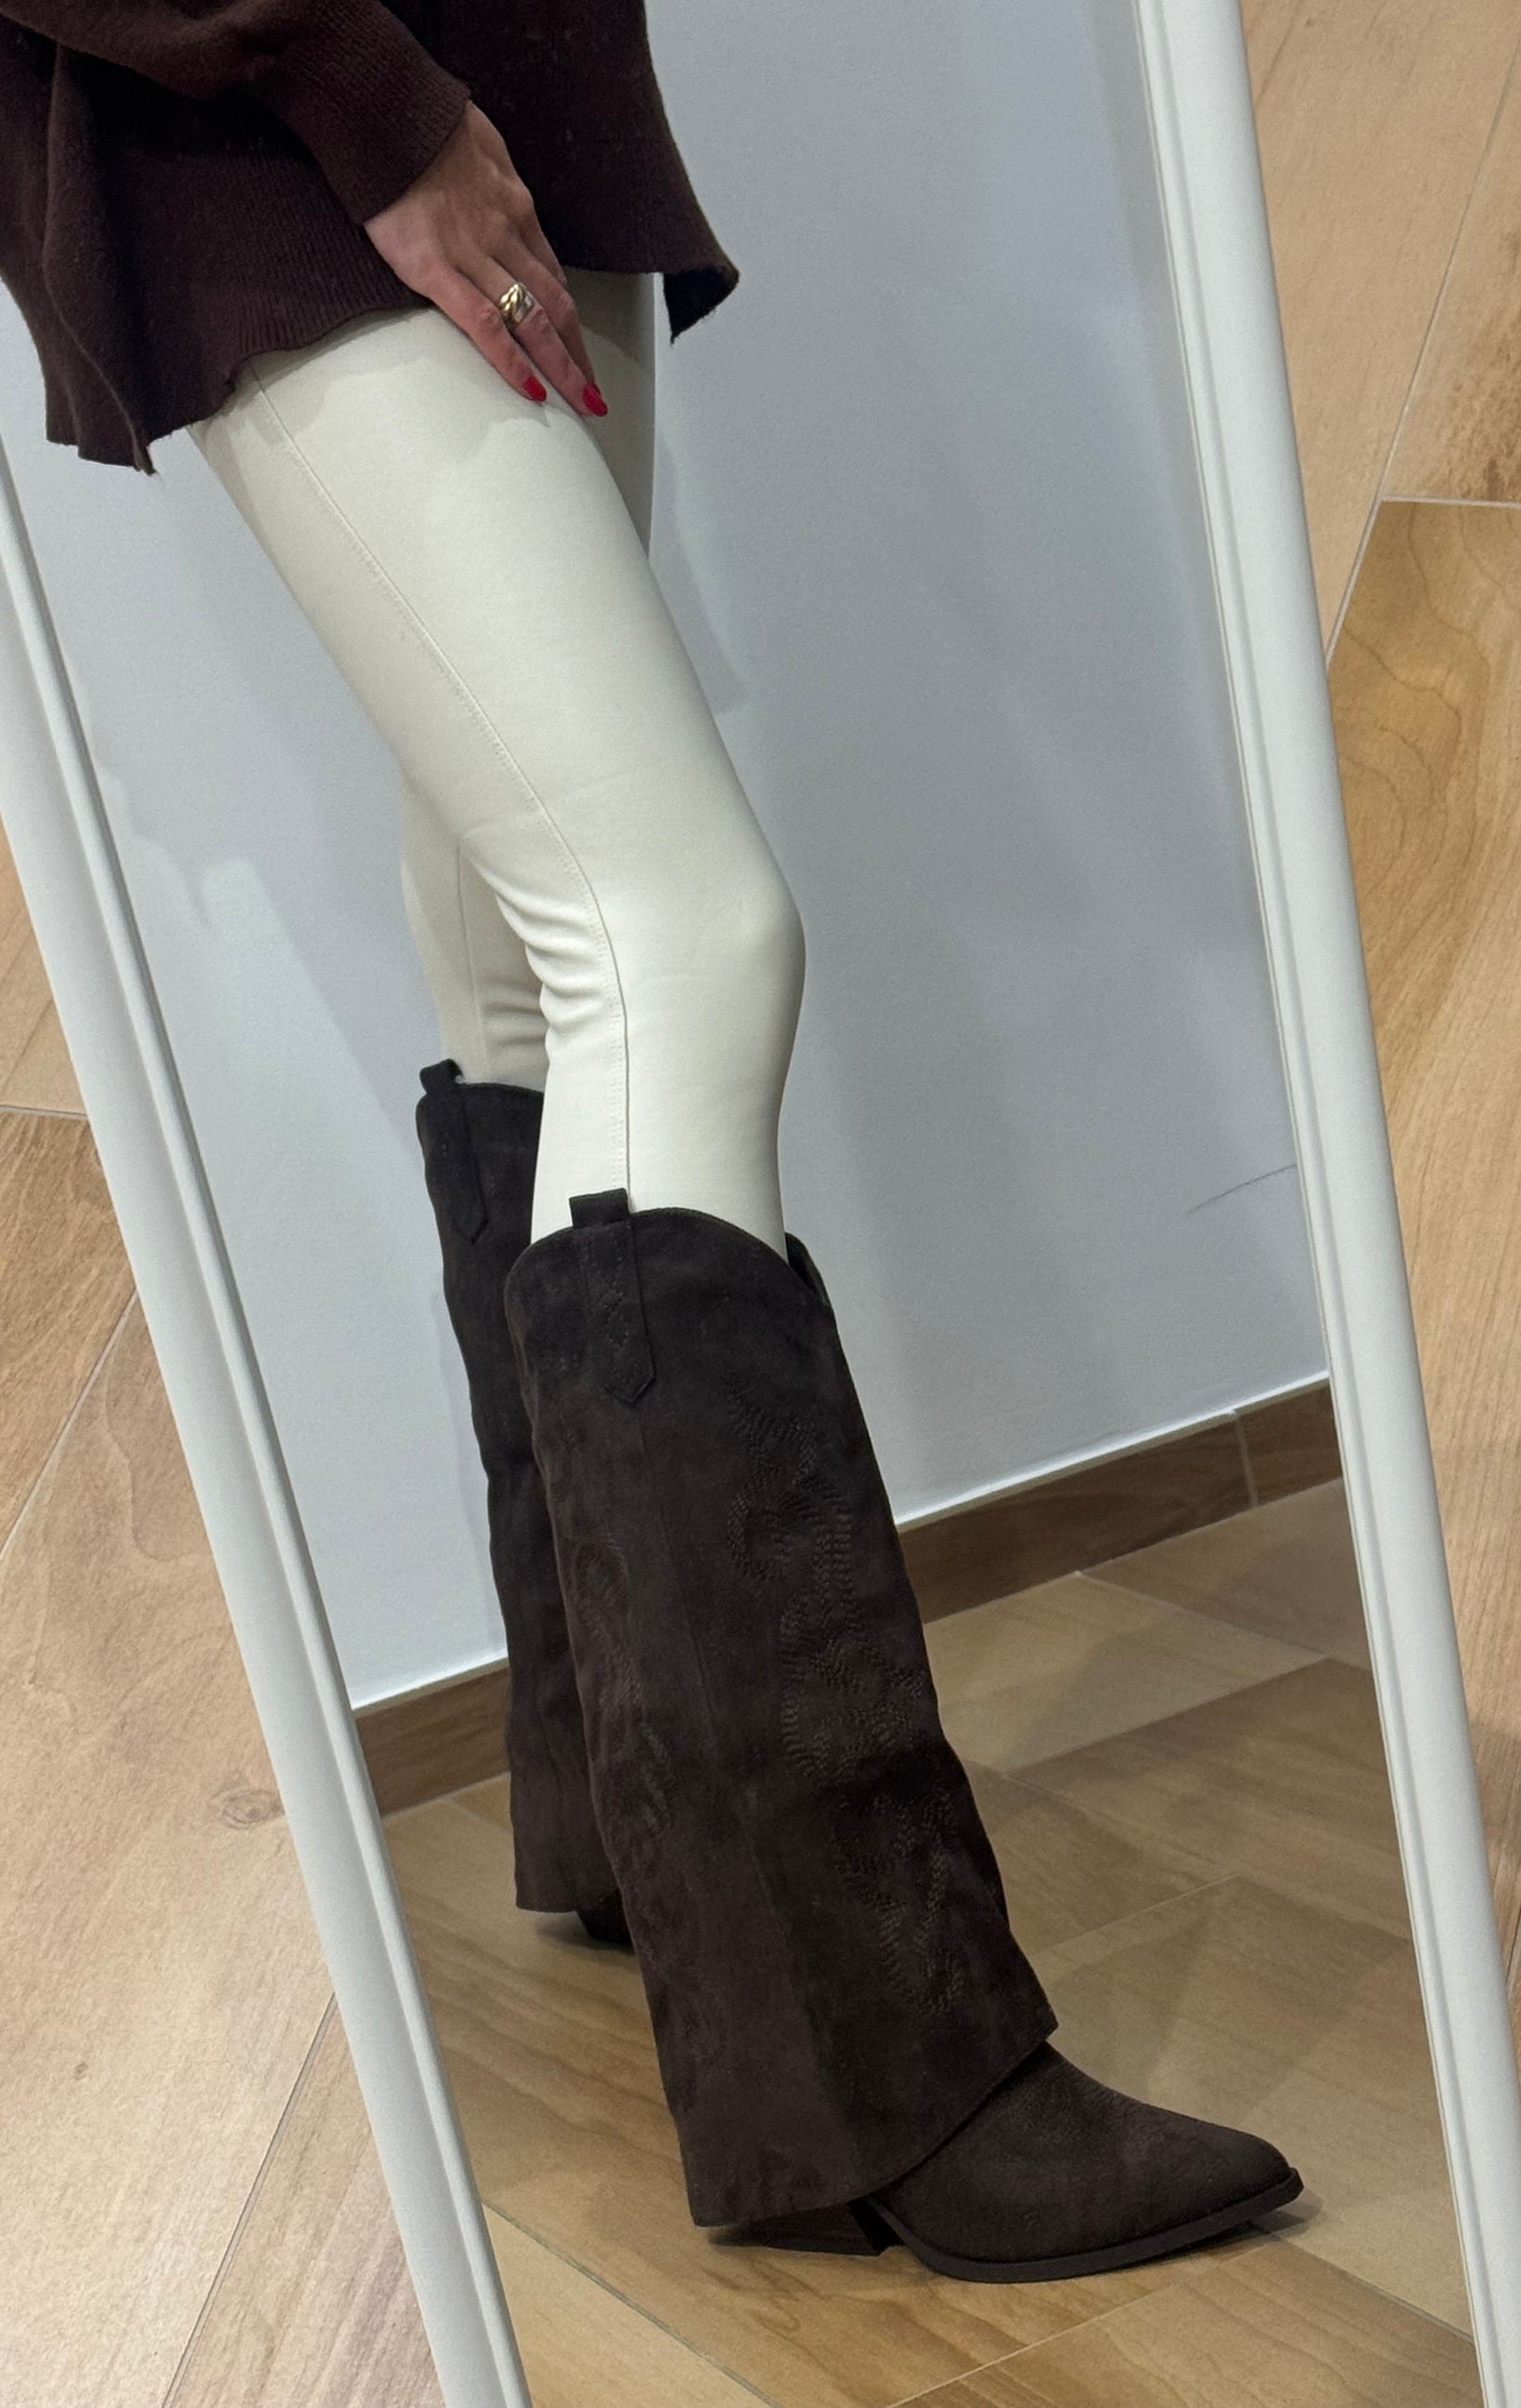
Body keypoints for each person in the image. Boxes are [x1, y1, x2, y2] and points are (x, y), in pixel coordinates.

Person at [0, 0, 1303, 2282]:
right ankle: (870, 2053)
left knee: (532, 943)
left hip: (497, 85)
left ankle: (629, 1791)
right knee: (675, 937)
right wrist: (363, 94)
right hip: (309, 120)